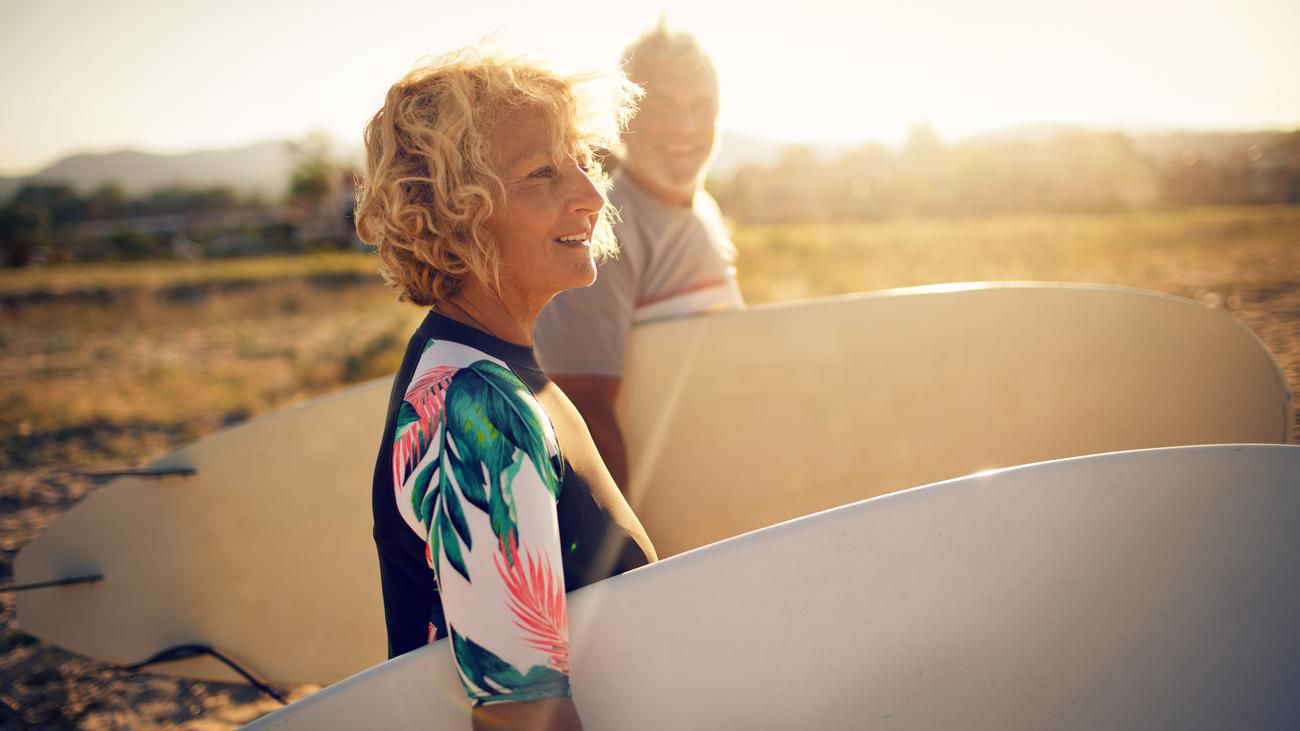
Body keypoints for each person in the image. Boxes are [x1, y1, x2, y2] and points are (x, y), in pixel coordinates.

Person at [356, 49, 657, 731]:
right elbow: (522, 717)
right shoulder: (476, 408)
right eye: (542, 173)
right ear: (453, 216)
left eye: (581, 158)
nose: (592, 193)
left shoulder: (496, 371)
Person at [535, 23, 744, 494]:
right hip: (666, 527)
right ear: (622, 116)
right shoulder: (602, 230)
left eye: (701, 107)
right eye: (662, 105)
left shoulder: (703, 210)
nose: (686, 127)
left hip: (724, 498)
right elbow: (581, 410)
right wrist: (631, 560)